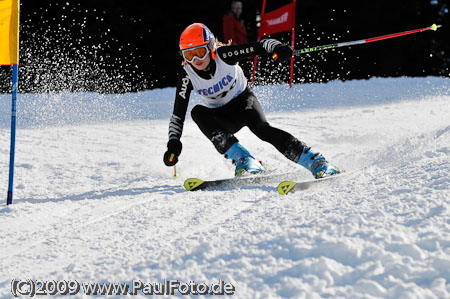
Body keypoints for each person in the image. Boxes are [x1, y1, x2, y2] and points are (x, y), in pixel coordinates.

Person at [163, 23, 340, 179]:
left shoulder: (225, 55)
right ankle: (244, 159)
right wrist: (173, 144)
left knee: (262, 130)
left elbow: (262, 46)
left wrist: (278, 48)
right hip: (221, 118)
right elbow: (177, 116)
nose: (196, 60)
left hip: (243, 103)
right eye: (189, 55)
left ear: (210, 47)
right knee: (197, 112)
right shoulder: (187, 76)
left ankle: (316, 162)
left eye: (200, 52)